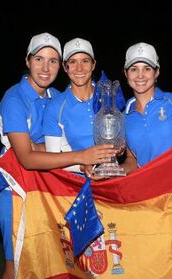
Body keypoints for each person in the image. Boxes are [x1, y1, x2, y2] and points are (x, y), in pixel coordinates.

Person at [0, 33, 116, 279]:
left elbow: (48, 147)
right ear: (27, 61)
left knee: (50, 264)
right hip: (15, 191)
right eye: (39, 59)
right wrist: (80, 156)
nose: (45, 67)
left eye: (52, 61)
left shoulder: (54, 97)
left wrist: (79, 161)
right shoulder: (14, 99)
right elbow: (26, 157)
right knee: (15, 265)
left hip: (46, 188)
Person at [43, 37, 136, 177]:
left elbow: (125, 144)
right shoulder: (55, 107)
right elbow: (52, 158)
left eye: (85, 61)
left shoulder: (110, 97)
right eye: (73, 62)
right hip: (75, 186)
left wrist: (121, 148)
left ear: (93, 65)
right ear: (65, 67)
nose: (79, 68)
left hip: (113, 180)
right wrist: (81, 166)